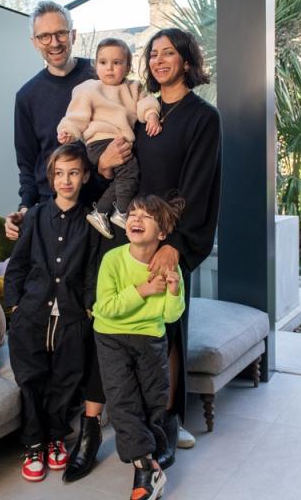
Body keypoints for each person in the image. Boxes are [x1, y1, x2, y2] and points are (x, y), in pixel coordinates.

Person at [4, 1, 132, 483]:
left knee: (93, 315)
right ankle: (57, 434)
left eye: (61, 33)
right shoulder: (27, 96)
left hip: (100, 212)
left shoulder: (101, 73)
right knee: (49, 333)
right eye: (44, 36)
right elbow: (26, 165)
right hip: (46, 217)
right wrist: (26, 211)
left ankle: (102, 423)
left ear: (73, 35)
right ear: (34, 42)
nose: (54, 42)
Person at [132, 28, 221, 468]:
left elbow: (197, 188)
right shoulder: (141, 113)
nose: (159, 60)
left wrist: (176, 247)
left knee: (167, 334)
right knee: (134, 332)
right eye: (153, 54)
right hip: (132, 239)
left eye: (169, 53)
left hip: (171, 242)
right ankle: (139, 420)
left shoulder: (203, 117)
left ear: (186, 61)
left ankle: (168, 423)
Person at [3, 144, 100, 482]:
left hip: (72, 316)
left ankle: (56, 438)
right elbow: (17, 266)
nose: (66, 180)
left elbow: (90, 272)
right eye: (59, 173)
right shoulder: (36, 216)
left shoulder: (90, 223)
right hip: (31, 314)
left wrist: (88, 311)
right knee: (31, 379)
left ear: (85, 176)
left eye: (74, 173)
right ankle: (33, 445)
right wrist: (14, 306)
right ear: (51, 177)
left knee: (65, 378)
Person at [92, 195, 186, 500]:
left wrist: (172, 291)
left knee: (153, 401)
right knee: (122, 402)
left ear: (161, 233)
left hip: (150, 339)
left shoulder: (170, 265)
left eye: (145, 217)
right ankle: (146, 471)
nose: (135, 219)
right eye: (132, 214)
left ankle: (147, 462)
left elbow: (172, 315)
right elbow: (105, 307)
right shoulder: (113, 259)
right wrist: (143, 290)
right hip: (111, 337)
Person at [57, 38, 161, 239]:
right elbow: (77, 116)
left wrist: (151, 115)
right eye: (103, 62)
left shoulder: (133, 88)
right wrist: (68, 131)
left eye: (117, 62)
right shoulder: (89, 89)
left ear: (128, 66)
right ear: (96, 66)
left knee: (125, 176)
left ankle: (101, 212)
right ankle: (122, 211)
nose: (110, 68)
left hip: (121, 142)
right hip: (99, 141)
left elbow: (146, 104)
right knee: (130, 172)